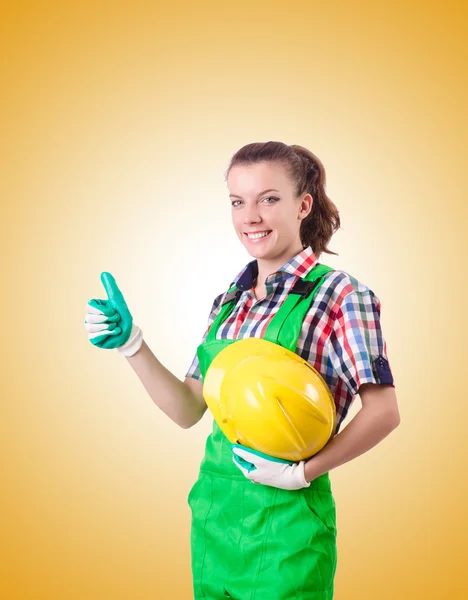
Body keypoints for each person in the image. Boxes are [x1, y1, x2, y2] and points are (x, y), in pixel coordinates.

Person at [84, 141, 400, 600]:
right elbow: (189, 408)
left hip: (288, 528)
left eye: (268, 199)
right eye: (238, 201)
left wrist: (304, 473)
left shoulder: (341, 295)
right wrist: (132, 345)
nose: (250, 216)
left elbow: (384, 412)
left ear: (303, 206)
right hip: (215, 520)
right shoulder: (228, 301)